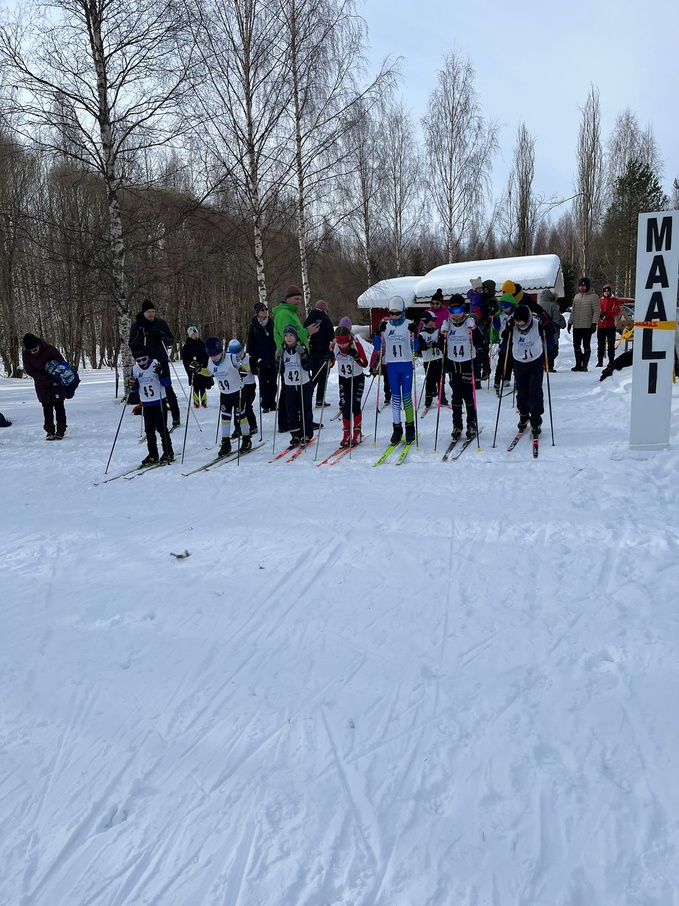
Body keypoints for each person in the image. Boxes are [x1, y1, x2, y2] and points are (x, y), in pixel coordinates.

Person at [271, 285, 319, 432]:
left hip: (295, 354)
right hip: (290, 356)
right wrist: (307, 332)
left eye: (300, 299)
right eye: (296, 299)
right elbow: (289, 335)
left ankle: (295, 421)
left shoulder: (290, 312)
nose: (299, 301)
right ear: (287, 299)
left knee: (292, 389)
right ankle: (289, 422)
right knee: (291, 390)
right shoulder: (284, 314)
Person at [128, 299, 181, 427]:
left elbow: (171, 340)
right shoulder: (137, 326)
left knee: (167, 387)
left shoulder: (161, 323)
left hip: (161, 360)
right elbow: (132, 344)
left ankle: (176, 416)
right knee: (147, 388)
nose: (151, 314)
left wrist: (164, 338)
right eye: (148, 312)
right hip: (146, 363)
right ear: (143, 313)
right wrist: (140, 336)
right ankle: (150, 419)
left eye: (153, 311)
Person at [374, 296, 418, 445]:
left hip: (405, 365)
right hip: (392, 366)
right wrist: (377, 333)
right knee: (396, 398)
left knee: (406, 397)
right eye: (391, 313)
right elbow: (377, 347)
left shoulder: (409, 324)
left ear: (403, 311)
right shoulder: (385, 326)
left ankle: (410, 427)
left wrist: (415, 335)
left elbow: (416, 347)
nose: (394, 316)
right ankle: (397, 429)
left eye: (397, 313)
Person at [441, 295, 480, 439]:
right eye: (453, 310)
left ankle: (472, 423)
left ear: (464, 309)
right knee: (456, 396)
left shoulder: (469, 322)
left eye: (459, 310)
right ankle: (457, 425)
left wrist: (474, 329)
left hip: (467, 362)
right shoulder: (447, 324)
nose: (456, 314)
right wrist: (441, 334)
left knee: (468, 395)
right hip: (453, 364)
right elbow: (441, 345)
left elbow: (480, 343)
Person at [205, 337, 252, 456]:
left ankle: (246, 439)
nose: (214, 358)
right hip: (224, 394)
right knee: (225, 418)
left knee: (240, 416)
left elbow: (244, 366)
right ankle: (225, 442)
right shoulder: (210, 361)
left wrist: (243, 370)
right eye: (211, 355)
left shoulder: (231, 357)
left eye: (216, 354)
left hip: (237, 392)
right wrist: (198, 370)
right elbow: (209, 372)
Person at [128, 346, 174, 465]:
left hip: (159, 401)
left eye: (144, 359)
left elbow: (166, 383)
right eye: (139, 360)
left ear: (147, 357)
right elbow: (135, 388)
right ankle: (153, 454)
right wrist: (132, 385)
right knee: (149, 430)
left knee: (162, 428)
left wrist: (161, 373)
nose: (142, 362)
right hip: (146, 403)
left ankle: (168, 451)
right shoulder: (135, 369)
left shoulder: (155, 364)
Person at [509, 304, 548, 438]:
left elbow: (549, 333)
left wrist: (547, 326)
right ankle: (524, 415)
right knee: (522, 391)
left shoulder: (537, 324)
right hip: (519, 362)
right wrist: (507, 329)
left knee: (535, 391)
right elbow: (504, 336)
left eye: (523, 324)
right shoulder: (512, 326)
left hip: (535, 361)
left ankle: (536, 421)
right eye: (518, 324)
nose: (521, 326)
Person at [21, 333, 68, 440]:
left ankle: (61, 430)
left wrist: (55, 374)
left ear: (38, 345)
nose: (33, 352)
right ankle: (50, 431)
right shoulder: (26, 355)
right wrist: (43, 377)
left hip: (56, 382)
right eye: (30, 351)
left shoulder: (49, 349)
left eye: (35, 349)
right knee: (47, 407)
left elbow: (61, 362)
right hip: (41, 384)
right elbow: (29, 370)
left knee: (59, 406)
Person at [276, 324, 314, 448]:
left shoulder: (301, 349)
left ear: (296, 337)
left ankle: (307, 434)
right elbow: (279, 370)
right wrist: (278, 359)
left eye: (291, 335)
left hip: (303, 385)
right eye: (286, 335)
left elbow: (309, 366)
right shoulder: (283, 352)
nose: (288, 338)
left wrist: (303, 355)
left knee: (305, 411)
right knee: (291, 412)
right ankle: (295, 434)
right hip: (290, 387)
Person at [332, 325, 368, 447]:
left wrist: (357, 357)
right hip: (344, 380)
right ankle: (346, 433)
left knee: (355, 405)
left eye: (344, 342)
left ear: (348, 339)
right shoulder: (335, 346)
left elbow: (364, 363)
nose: (342, 345)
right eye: (339, 342)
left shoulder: (356, 345)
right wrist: (328, 357)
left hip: (357, 379)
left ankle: (357, 432)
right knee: (345, 406)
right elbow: (330, 364)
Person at [304, 299, 335, 407]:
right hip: (323, 351)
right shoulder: (325, 319)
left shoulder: (309, 319)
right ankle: (319, 399)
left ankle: (307, 397)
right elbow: (331, 336)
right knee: (323, 376)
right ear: (324, 309)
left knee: (315, 375)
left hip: (312, 351)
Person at [247, 302, 277, 412]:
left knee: (273, 382)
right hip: (260, 358)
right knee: (263, 383)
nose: (265, 312)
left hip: (272, 356)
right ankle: (265, 404)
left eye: (266, 309)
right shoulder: (254, 326)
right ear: (258, 312)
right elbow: (250, 343)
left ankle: (272, 403)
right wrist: (254, 359)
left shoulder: (272, 323)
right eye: (262, 310)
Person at [567, 277, 599, 372]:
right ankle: (578, 364)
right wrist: (570, 322)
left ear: (587, 286)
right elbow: (573, 311)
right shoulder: (577, 297)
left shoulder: (594, 297)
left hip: (587, 326)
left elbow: (596, 311)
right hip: (577, 326)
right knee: (576, 346)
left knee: (586, 345)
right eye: (580, 286)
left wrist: (594, 323)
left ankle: (584, 365)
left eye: (583, 286)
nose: (581, 288)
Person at [418, 310, 448, 408]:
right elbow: (419, 347)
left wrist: (440, 343)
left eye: (435, 319)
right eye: (433, 319)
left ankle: (442, 398)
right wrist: (428, 344)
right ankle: (428, 400)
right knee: (430, 380)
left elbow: (443, 342)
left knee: (441, 379)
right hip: (428, 360)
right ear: (426, 320)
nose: (435, 321)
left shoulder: (437, 331)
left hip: (439, 358)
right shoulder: (422, 334)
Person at [491, 293, 517, 395]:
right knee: (502, 360)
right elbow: (495, 326)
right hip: (503, 340)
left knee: (513, 360)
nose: (505, 309)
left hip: (514, 340)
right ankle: (497, 380)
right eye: (503, 307)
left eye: (506, 307)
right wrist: (493, 318)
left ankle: (512, 379)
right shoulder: (500, 315)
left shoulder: (516, 314)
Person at [230, 340, 258, 437]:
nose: (237, 355)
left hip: (249, 385)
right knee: (237, 407)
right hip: (237, 386)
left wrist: (257, 367)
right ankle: (238, 428)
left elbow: (255, 371)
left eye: (238, 352)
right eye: (234, 353)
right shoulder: (230, 360)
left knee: (247, 407)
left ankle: (253, 426)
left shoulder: (248, 358)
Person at [181, 326, 211, 408]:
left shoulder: (202, 344)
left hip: (202, 368)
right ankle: (196, 402)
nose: (195, 335)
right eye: (193, 334)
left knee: (203, 386)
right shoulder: (187, 346)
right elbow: (185, 360)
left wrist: (204, 364)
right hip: (193, 370)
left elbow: (206, 355)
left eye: (196, 333)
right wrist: (189, 368)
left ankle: (204, 401)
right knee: (196, 386)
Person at [539, 289, 567, 372]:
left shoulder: (538, 305)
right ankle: (550, 366)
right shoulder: (553, 306)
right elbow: (556, 320)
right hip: (552, 332)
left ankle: (543, 364)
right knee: (552, 350)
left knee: (542, 349)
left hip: (540, 331)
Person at [596, 284, 621, 368]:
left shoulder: (614, 300)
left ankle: (611, 361)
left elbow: (616, 310)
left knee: (611, 344)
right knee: (600, 345)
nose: (606, 293)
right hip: (601, 325)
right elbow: (596, 310)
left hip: (611, 325)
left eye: (608, 291)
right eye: (605, 291)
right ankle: (600, 361)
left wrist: (607, 313)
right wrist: (600, 315)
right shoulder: (600, 301)